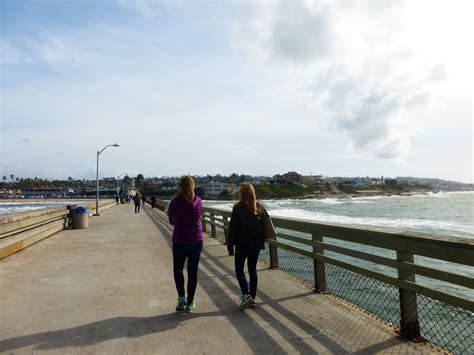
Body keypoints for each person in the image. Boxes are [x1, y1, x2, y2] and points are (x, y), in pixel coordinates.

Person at [228, 182, 266, 309]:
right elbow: (265, 227)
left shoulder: (238, 208)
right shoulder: (259, 207)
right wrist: (261, 241)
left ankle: (246, 295)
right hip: (255, 244)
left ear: (241, 194)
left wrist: (229, 246)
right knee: (252, 270)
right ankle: (252, 299)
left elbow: (232, 229)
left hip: (242, 244)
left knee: (239, 270)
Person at [167, 176, 203, 313]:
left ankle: (181, 298)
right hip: (196, 240)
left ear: (180, 186)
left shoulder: (175, 202)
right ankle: (190, 303)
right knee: (192, 272)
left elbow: (171, 219)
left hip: (179, 240)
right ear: (193, 186)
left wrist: (178, 221)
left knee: (178, 269)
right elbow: (198, 216)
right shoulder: (198, 201)